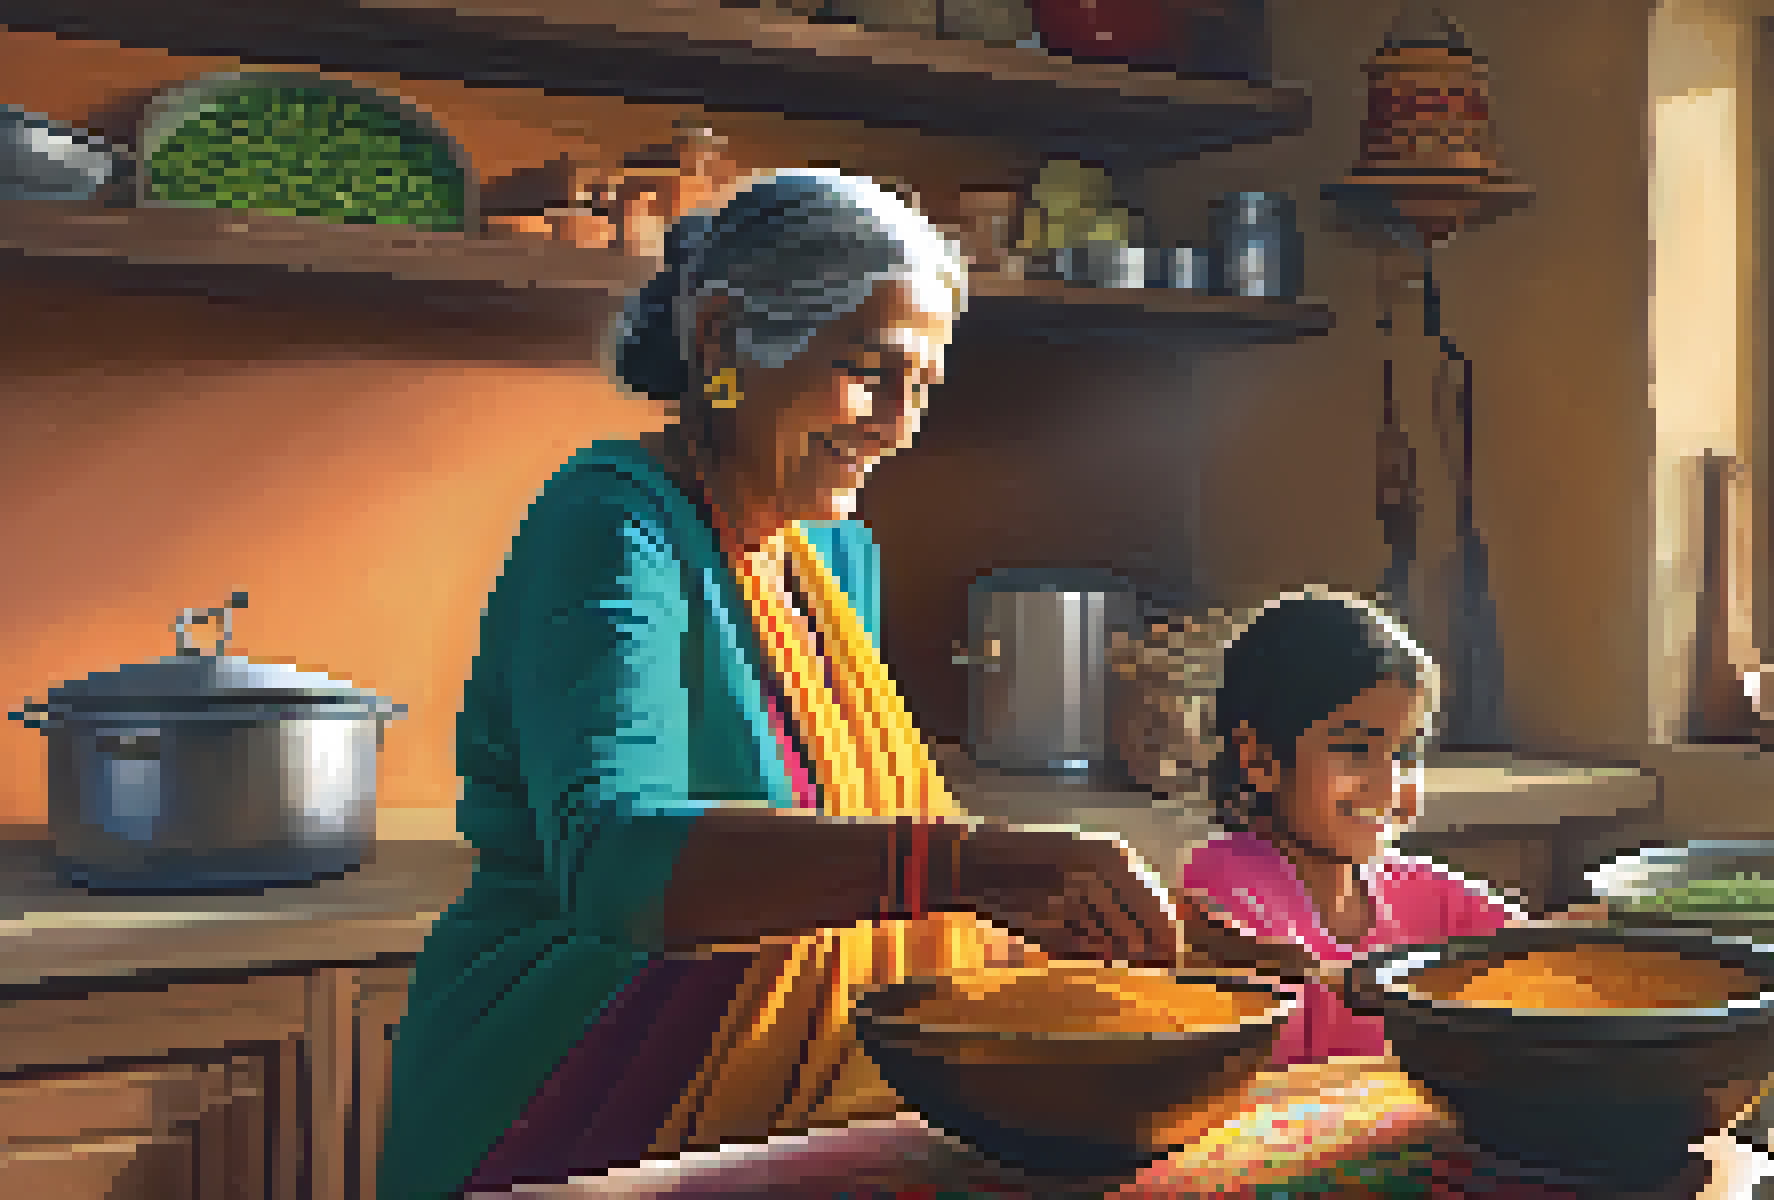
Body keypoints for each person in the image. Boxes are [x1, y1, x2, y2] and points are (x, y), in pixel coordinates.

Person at [377, 170, 1180, 1199]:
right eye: (865, 372)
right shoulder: (614, 519)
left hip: (788, 1121)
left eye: (923, 386)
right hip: (575, 1093)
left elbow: (858, 829)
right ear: (719, 339)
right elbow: (617, 861)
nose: (897, 424)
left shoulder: (837, 560)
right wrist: (974, 865)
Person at [1175, 590, 1607, 1066]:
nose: (1389, 784)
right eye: (1356, 749)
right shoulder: (1221, 889)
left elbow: (1532, 959)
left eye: (1405, 754)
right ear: (1259, 759)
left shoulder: (1425, 893)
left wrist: (1597, 934)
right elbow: (1275, 1041)